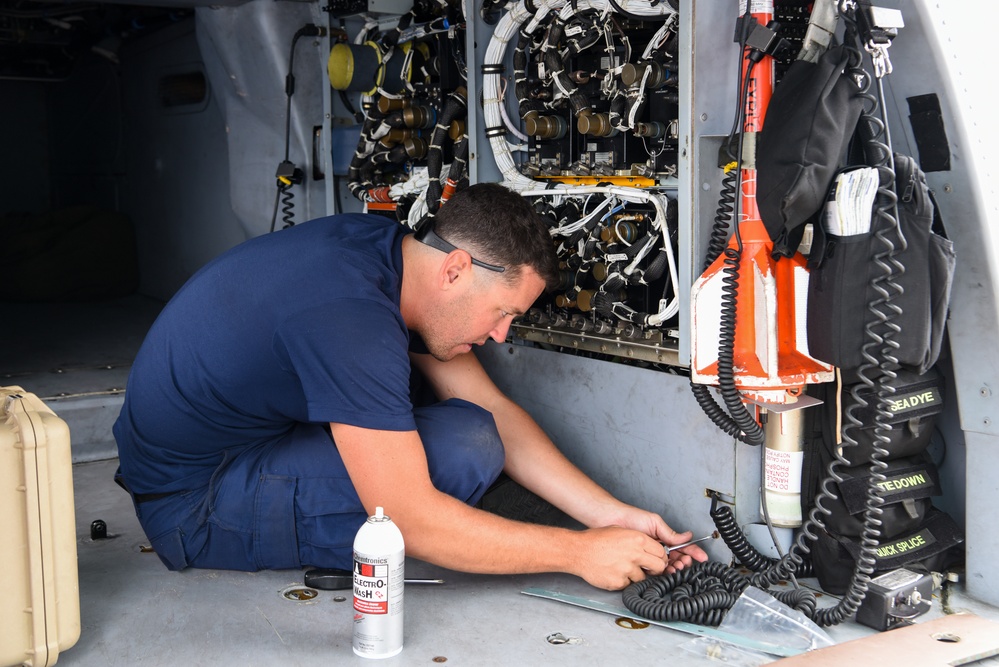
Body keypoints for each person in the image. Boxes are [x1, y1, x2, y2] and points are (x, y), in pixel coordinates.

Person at [112, 182, 707, 590]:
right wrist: (578, 553)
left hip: (232, 442)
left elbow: (492, 407)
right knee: (460, 450)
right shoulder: (350, 318)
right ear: (456, 270)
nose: (503, 336)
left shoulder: (388, 256)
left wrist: (612, 517)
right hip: (194, 501)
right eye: (502, 312)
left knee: (472, 425)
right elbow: (413, 521)